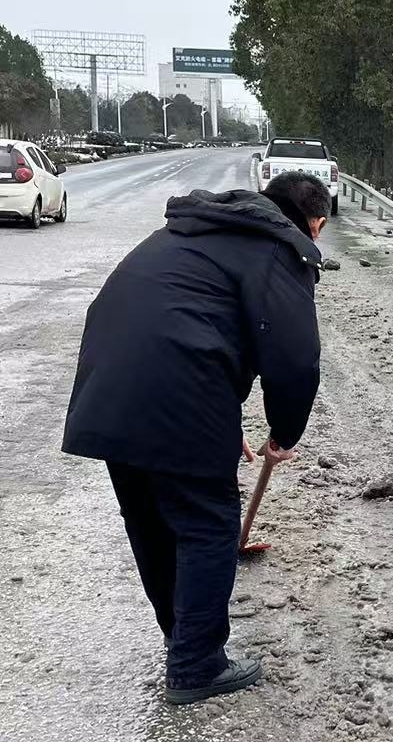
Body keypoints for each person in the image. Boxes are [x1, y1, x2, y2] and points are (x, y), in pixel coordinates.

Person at [62, 172, 330, 705]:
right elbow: (295, 357)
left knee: (149, 517)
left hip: (108, 388)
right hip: (176, 386)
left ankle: (180, 636)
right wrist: (284, 432)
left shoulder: (191, 230)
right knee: (208, 523)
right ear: (315, 222)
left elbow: (192, 324)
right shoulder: (279, 250)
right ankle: (197, 664)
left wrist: (223, 420)